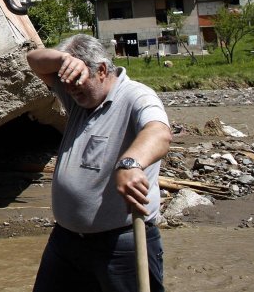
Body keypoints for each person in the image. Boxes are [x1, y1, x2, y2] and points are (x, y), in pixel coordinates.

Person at [27, 34, 172, 292]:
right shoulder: (79, 98)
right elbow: (33, 60)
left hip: (121, 245)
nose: (69, 88)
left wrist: (131, 163)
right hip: (67, 242)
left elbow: (159, 132)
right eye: (65, 81)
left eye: (76, 80)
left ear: (102, 70)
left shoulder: (136, 96)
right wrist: (63, 59)